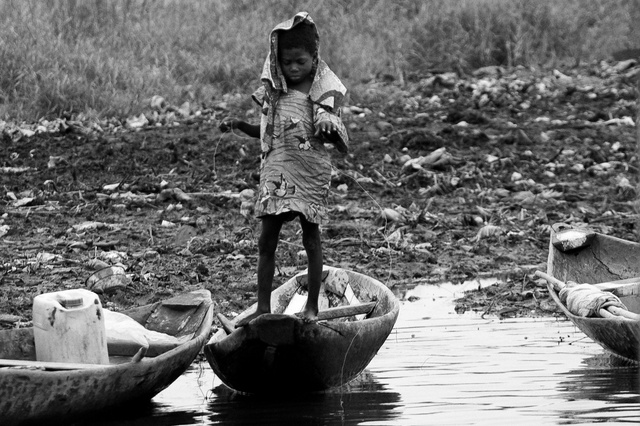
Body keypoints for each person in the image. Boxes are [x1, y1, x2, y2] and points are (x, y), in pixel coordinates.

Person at [219, 12, 349, 327]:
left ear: (314, 58)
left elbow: (336, 134)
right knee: (267, 240)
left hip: (309, 172)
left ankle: (312, 308)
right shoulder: (274, 92)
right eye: (287, 62)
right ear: (277, 59)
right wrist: (238, 125)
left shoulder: (322, 94)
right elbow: (266, 130)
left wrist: (330, 126)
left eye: (300, 62)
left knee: (311, 238)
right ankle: (264, 306)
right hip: (277, 171)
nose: (293, 68)